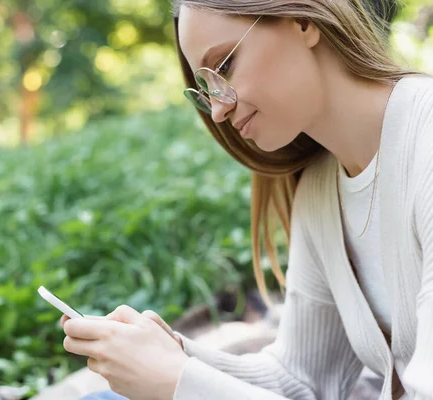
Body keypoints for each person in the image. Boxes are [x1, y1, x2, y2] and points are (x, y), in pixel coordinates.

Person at [60, 0, 433, 399]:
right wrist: (172, 358)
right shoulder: (321, 189)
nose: (218, 110)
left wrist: (178, 381)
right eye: (204, 88)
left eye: (223, 66)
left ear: (303, 21)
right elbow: (300, 379)